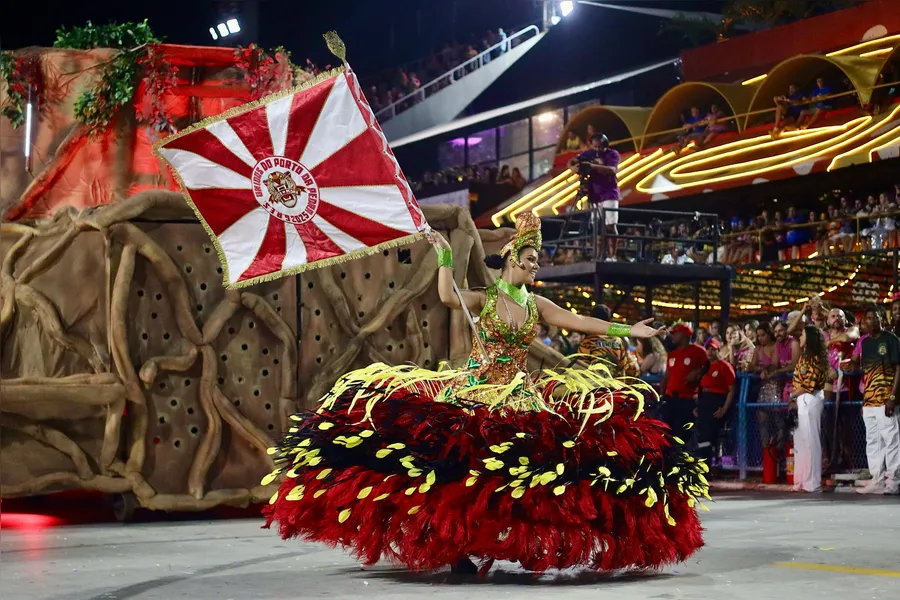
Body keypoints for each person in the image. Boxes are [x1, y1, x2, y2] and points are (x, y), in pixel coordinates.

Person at [263, 213, 708, 574]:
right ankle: (455, 546)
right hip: (475, 388)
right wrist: (441, 255)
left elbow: (583, 323)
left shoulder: (539, 305)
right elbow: (447, 296)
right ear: (512, 256)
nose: (536, 267)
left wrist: (628, 328)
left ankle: (508, 538)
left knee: (522, 472)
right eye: (531, 259)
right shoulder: (486, 297)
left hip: (520, 394)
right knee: (457, 467)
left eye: (539, 262)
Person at [854, 306, 900, 495]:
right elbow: (867, 374)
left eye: (875, 318)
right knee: (872, 441)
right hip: (870, 400)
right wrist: (865, 400)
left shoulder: (892, 340)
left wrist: (892, 397)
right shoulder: (864, 343)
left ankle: (893, 481)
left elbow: (898, 369)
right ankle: (877, 479)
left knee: (891, 440)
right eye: (868, 318)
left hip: (886, 399)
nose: (871, 321)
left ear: (882, 319)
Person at [790, 325, 831, 493]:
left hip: (811, 399)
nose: (800, 337)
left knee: (812, 441)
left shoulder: (815, 358)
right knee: (800, 441)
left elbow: (809, 385)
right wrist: (794, 397)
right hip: (801, 399)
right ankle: (800, 480)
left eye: (803, 335)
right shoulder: (804, 357)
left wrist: (792, 395)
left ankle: (813, 482)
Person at [568, 133, 621, 259]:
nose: (596, 150)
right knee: (596, 227)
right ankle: (598, 256)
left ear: (605, 145)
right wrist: (572, 168)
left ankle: (613, 255)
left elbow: (612, 170)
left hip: (609, 193)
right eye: (595, 147)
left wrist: (593, 166)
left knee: (609, 226)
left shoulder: (613, 154)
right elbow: (571, 161)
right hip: (594, 195)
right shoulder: (589, 153)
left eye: (599, 147)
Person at [660, 323, 709, 445]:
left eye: (675, 333)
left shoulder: (698, 351)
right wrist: (662, 395)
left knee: (683, 433)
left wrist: (698, 372)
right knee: (668, 431)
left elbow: (708, 365)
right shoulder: (672, 354)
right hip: (670, 398)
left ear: (685, 335)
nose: (673, 336)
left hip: (687, 400)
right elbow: (667, 376)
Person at [696, 338, 736, 463]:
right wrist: (698, 406)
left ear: (718, 351)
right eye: (708, 349)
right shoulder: (704, 367)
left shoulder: (724, 366)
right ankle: (704, 467)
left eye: (713, 349)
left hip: (716, 402)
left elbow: (731, 390)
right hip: (705, 403)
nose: (710, 352)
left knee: (709, 436)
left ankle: (707, 467)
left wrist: (724, 408)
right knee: (702, 436)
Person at [578, 304, 641, 378]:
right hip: (614, 385)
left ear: (592, 319)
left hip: (594, 385)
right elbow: (623, 366)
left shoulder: (587, 342)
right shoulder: (618, 341)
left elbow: (580, 367)